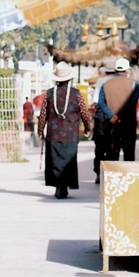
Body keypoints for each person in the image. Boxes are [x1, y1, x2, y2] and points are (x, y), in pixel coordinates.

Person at [37, 61, 92, 199]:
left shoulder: (50, 94)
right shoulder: (76, 94)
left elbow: (43, 114)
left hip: (53, 134)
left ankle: (59, 186)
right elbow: (85, 113)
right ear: (69, 78)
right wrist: (88, 128)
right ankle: (64, 186)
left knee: (55, 161)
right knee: (69, 161)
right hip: (70, 134)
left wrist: (40, 131)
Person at [98, 57, 139, 162]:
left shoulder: (106, 84)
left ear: (115, 70)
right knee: (129, 155)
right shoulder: (134, 84)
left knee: (112, 154)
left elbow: (101, 102)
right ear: (127, 70)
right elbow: (132, 103)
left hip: (110, 124)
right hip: (128, 124)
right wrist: (120, 116)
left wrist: (112, 116)